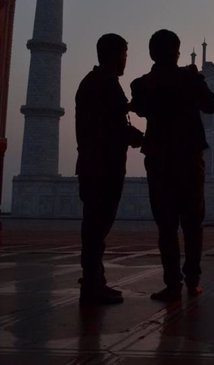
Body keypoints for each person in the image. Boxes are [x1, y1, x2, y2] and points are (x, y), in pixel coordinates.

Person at [130, 29, 214, 302]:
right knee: (192, 225)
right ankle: (192, 280)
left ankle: (172, 284)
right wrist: (193, 80)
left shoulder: (142, 84)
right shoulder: (190, 79)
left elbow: (138, 108)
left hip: (159, 161)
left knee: (166, 226)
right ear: (177, 52)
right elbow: (212, 105)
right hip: (189, 160)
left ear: (152, 54)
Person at [75, 33, 143, 305]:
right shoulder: (101, 84)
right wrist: (138, 138)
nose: (126, 59)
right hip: (101, 165)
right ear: (114, 55)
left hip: (100, 163)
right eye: (124, 54)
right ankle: (92, 283)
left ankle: (95, 279)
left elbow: (113, 119)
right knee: (95, 226)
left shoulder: (100, 82)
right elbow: (110, 127)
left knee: (97, 226)